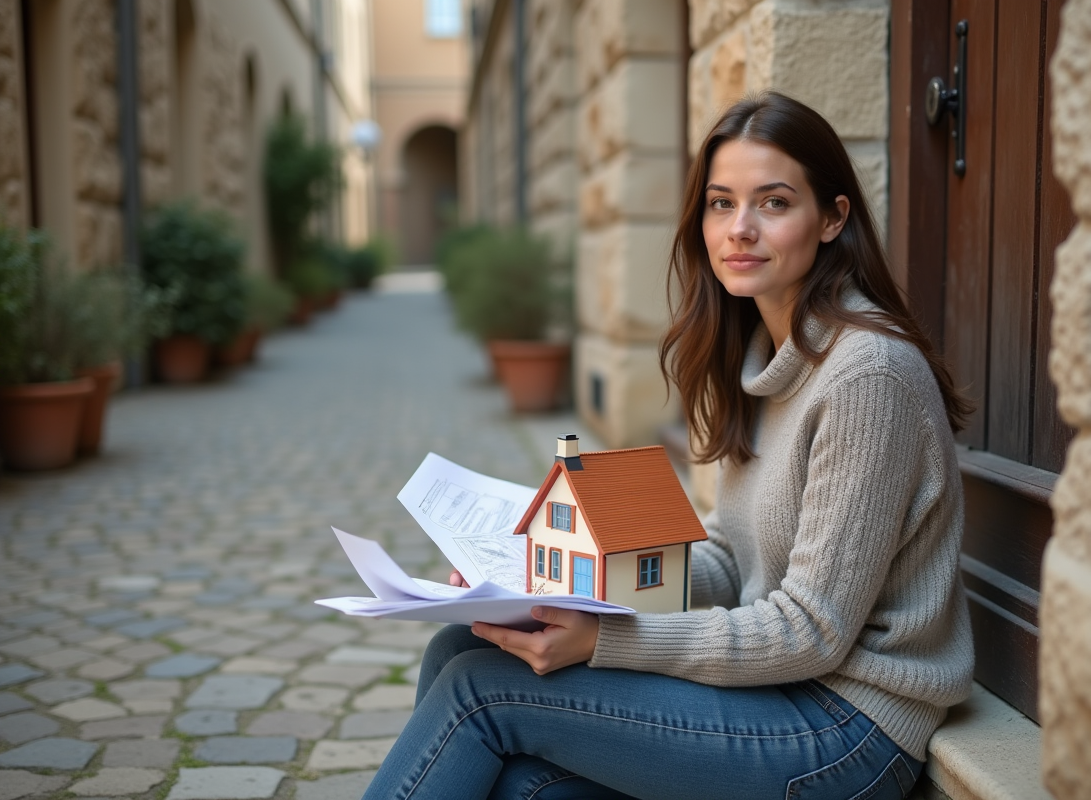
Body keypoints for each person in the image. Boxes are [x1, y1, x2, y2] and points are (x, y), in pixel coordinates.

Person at [361, 92, 974, 800]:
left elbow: (811, 632)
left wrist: (606, 641)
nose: (739, 229)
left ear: (833, 218)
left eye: (773, 203)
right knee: (466, 665)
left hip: (844, 730)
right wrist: (556, 590)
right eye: (721, 203)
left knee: (478, 691)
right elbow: (726, 558)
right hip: (777, 696)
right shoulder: (761, 357)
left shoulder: (868, 375)